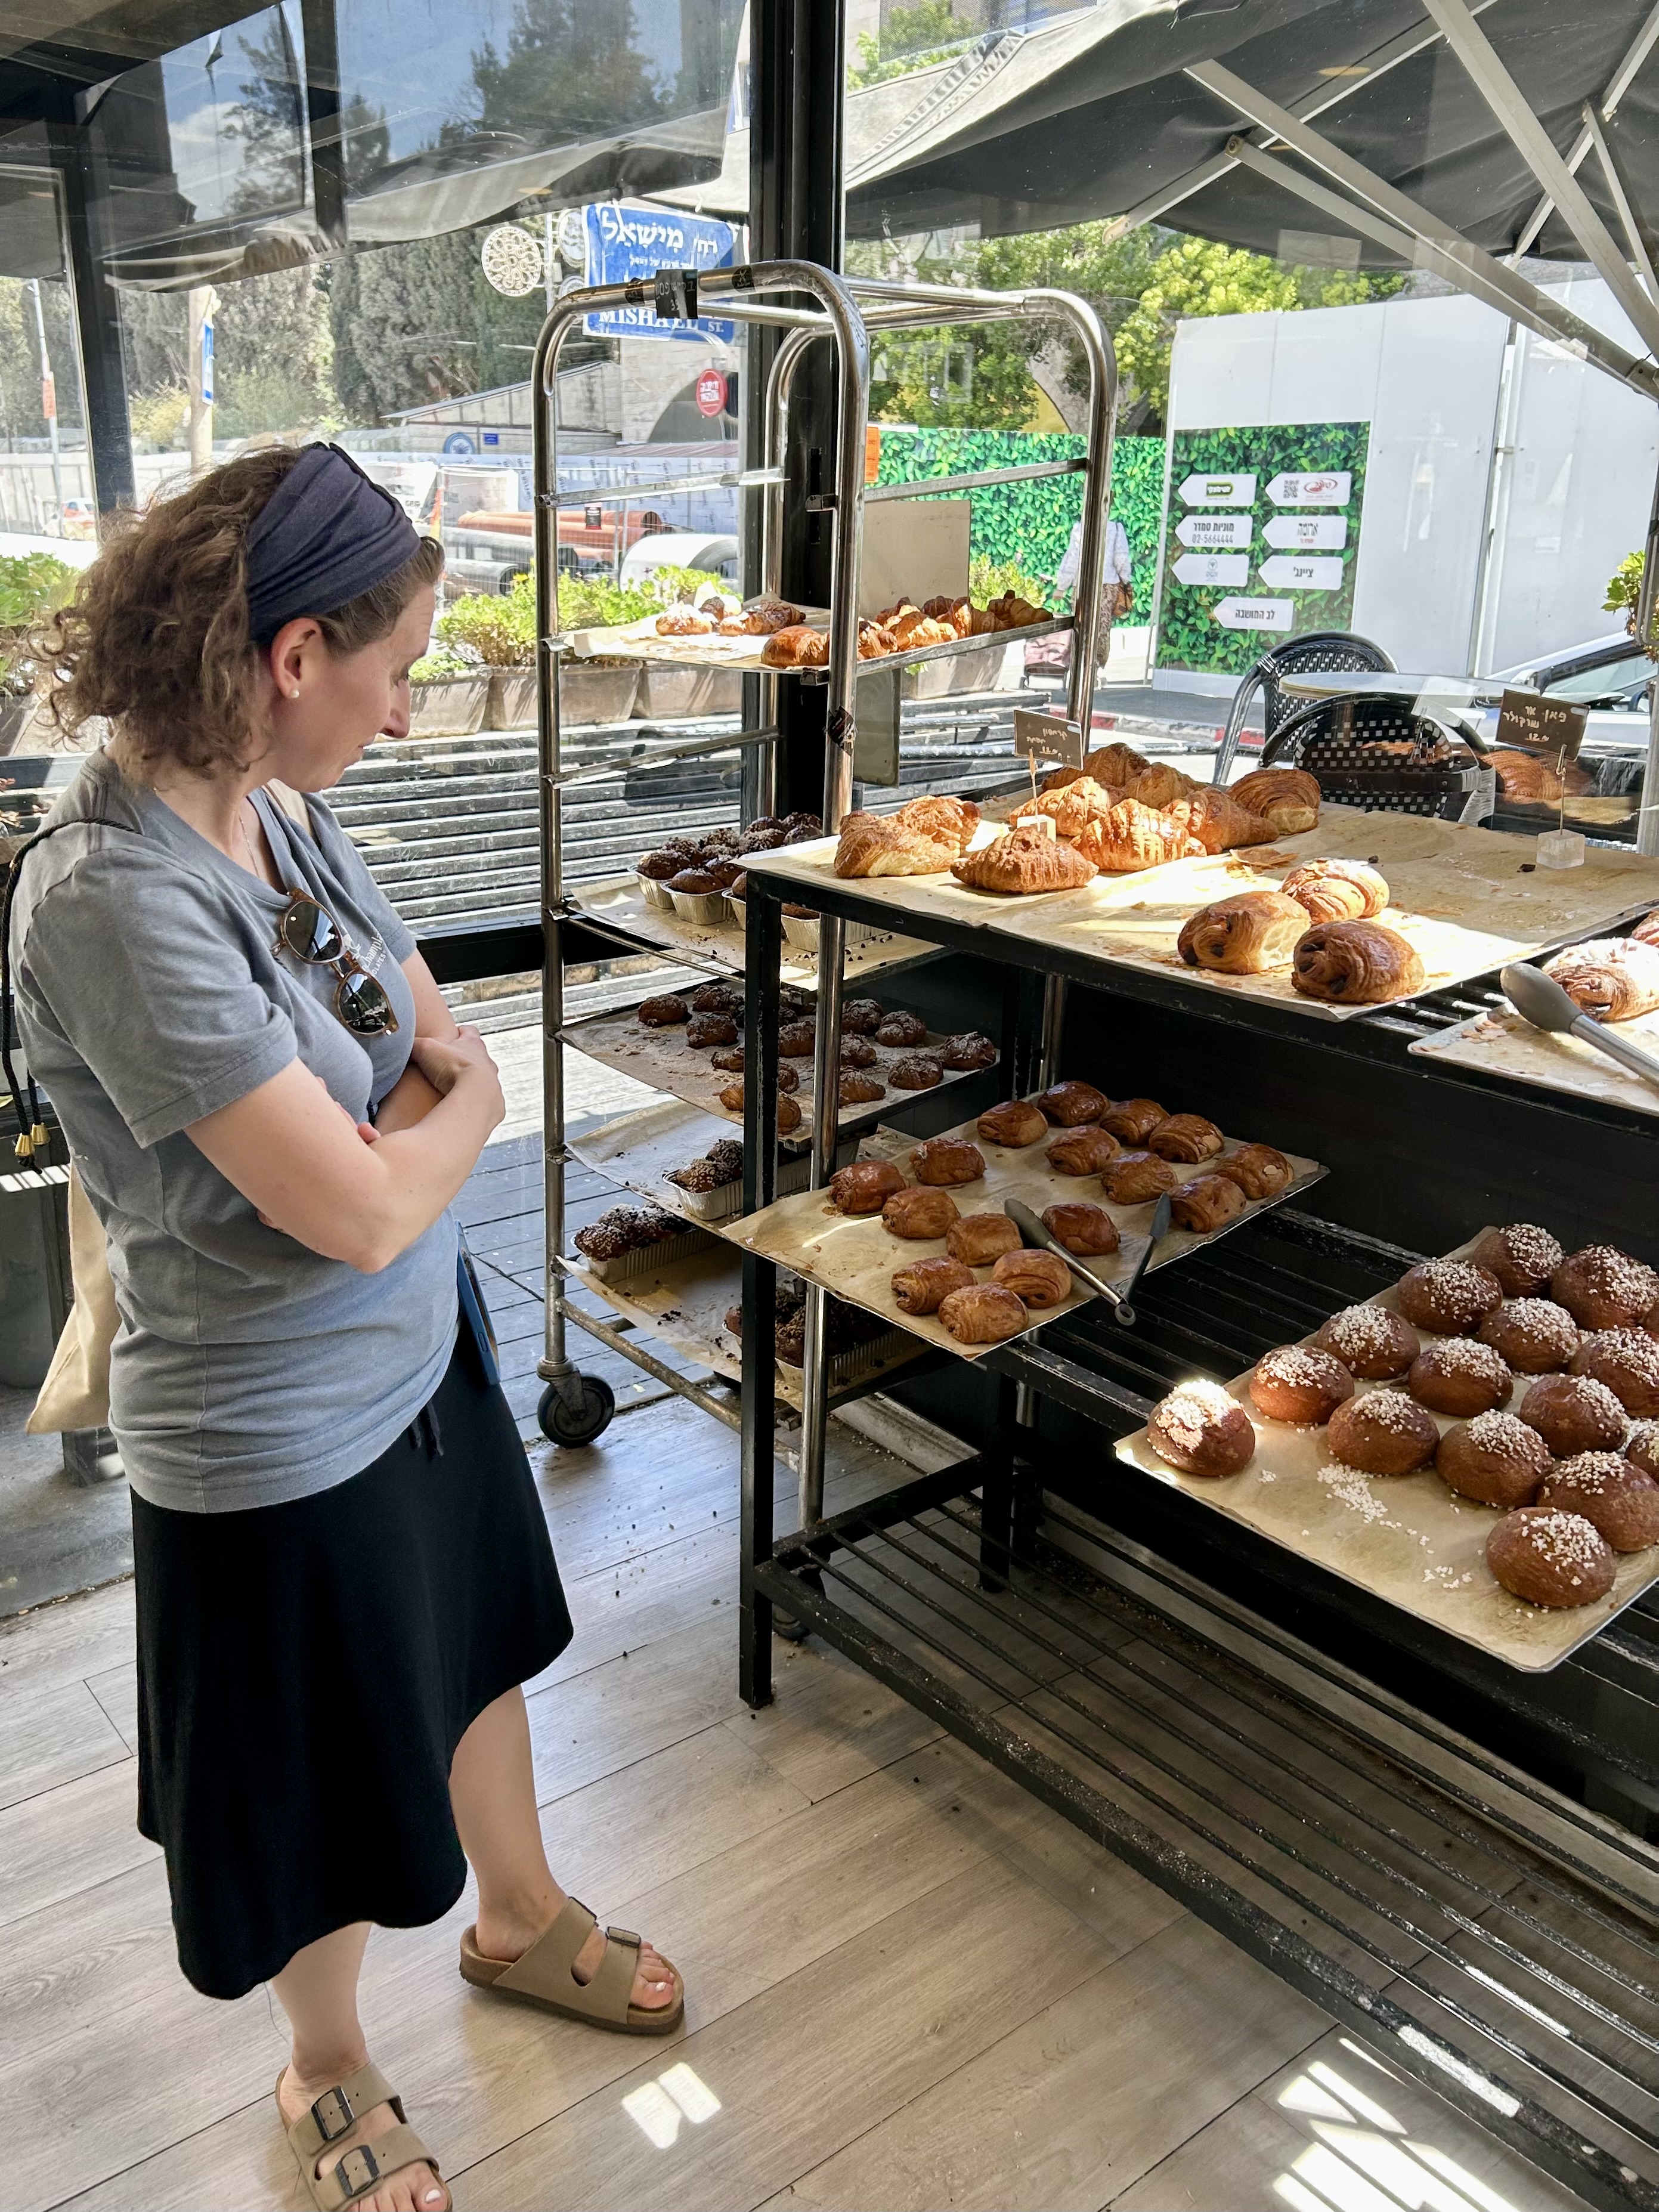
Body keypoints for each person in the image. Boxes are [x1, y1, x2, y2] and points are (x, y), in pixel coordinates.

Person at [11, 446, 683, 2212]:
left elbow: (417, 1026)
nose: (401, 721)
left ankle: (518, 1918)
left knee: (470, 1652)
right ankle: (326, 2063)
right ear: (294, 657)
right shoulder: (114, 894)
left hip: (419, 1357)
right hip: (268, 1428)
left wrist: (432, 1109)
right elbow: (373, 1189)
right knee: (310, 1778)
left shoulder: (274, 803)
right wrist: (460, 1110)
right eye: (393, 677)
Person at [1025, 511, 1134, 680]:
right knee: (1101, 628)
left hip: (1082, 586)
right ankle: (1094, 668)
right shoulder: (1116, 529)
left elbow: (1072, 559)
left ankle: (1081, 665)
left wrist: (1062, 587)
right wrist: (1125, 580)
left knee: (1081, 626)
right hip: (1107, 587)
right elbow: (1121, 559)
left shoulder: (1080, 529)